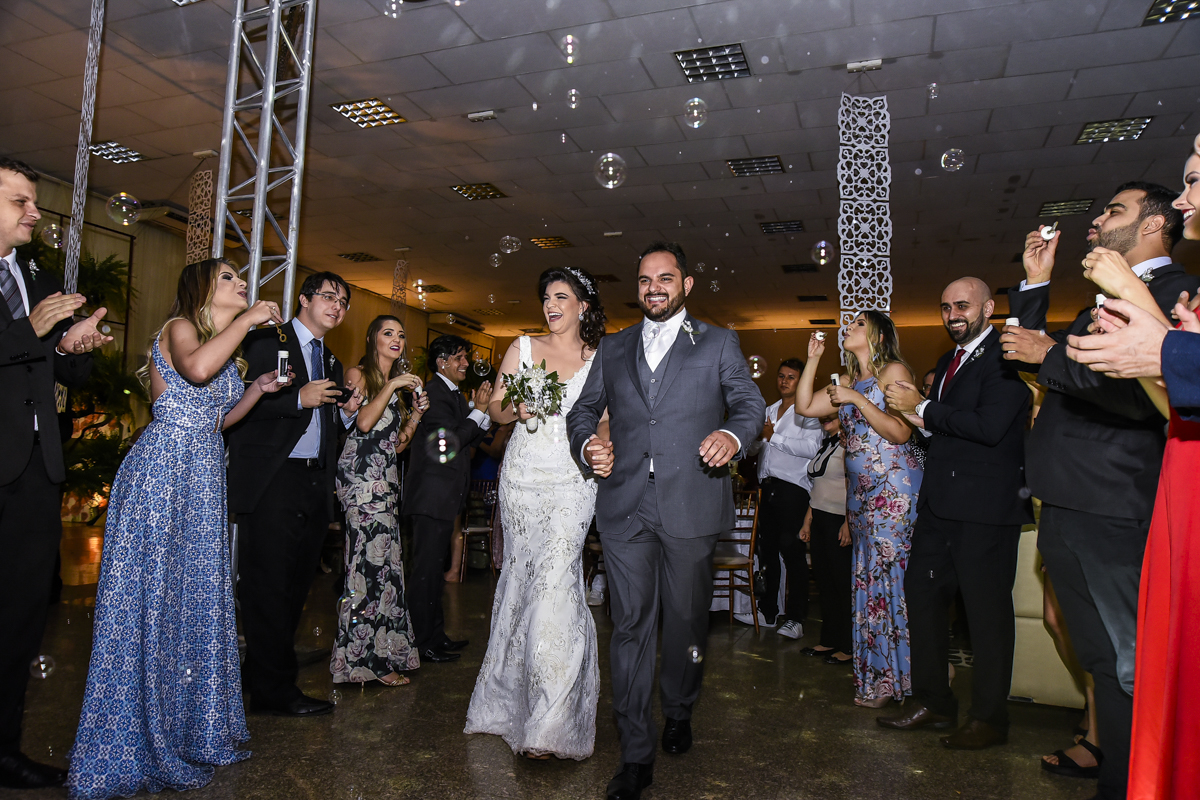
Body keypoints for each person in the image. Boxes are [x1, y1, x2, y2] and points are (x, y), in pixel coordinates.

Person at [1001, 181, 1196, 800]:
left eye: (1116, 209)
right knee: (1103, 659)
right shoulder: (1104, 298)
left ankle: (1137, 783)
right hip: (1067, 499)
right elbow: (1030, 360)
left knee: (1129, 661)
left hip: (1113, 501)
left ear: (1154, 226)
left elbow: (1143, 393)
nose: (1099, 219)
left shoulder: (1174, 293)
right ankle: (1117, 774)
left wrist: (1054, 354)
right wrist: (1036, 285)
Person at [69, 259, 289, 798]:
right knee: (152, 599)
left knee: (191, 599)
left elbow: (215, 419)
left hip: (202, 478)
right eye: (229, 277)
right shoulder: (180, 327)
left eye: (241, 278)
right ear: (202, 288)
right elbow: (195, 371)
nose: (243, 283)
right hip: (164, 474)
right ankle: (129, 740)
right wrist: (249, 320)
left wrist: (256, 390)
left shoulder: (223, 348)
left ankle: (185, 726)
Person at [567, 242, 764, 800]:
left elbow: (749, 404)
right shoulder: (614, 346)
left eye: (665, 278)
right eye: (645, 279)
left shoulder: (718, 342)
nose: (654, 287)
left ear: (686, 284)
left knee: (685, 621)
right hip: (625, 503)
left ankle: (679, 706)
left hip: (692, 503)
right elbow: (584, 410)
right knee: (630, 624)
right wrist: (587, 444)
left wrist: (732, 435)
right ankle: (635, 753)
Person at [1065, 146, 1200, 800]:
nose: (1185, 198)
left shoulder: (1175, 286)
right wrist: (1166, 354)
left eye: (1194, 181)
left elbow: (1099, 379)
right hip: (1164, 476)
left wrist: (1160, 338)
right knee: (1136, 660)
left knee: (1138, 661)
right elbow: (1169, 395)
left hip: (1125, 492)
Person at [877, 277, 1032, 750]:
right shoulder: (948, 361)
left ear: (988, 308)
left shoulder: (1009, 356)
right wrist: (914, 418)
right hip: (939, 506)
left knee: (985, 616)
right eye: (945, 307)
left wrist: (922, 406)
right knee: (922, 599)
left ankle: (989, 719)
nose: (952, 315)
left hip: (985, 509)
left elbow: (989, 427)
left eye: (962, 305)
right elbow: (944, 430)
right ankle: (933, 702)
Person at [465, 266, 607, 760]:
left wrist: (601, 447)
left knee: (555, 586)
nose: (551, 305)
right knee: (522, 583)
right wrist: (517, 407)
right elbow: (497, 409)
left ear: (583, 306)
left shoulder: (601, 358)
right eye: (546, 297)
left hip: (573, 481)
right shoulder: (522, 347)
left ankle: (551, 721)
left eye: (561, 297)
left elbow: (606, 420)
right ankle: (510, 700)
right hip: (522, 478)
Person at [0, 156, 108, 790]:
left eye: (34, 202)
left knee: (20, 616)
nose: (34, 213)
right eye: (20, 201)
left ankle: (4, 747)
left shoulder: (37, 278)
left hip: (37, 470)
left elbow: (63, 366)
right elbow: (20, 341)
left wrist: (73, 343)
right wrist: (28, 330)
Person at [226, 272, 362, 717]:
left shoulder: (332, 360)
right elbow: (234, 408)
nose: (337, 306)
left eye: (343, 302)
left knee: (297, 585)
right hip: (273, 479)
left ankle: (258, 673)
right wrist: (297, 399)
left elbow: (324, 426)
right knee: (267, 585)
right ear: (303, 299)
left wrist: (345, 414)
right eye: (329, 296)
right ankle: (274, 690)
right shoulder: (265, 341)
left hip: (312, 482)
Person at [794, 311, 922, 709]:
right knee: (870, 586)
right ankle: (886, 675)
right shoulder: (847, 381)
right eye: (849, 324)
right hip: (862, 497)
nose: (849, 326)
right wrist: (813, 359)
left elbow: (901, 431)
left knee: (893, 585)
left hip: (894, 491)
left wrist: (856, 399)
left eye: (860, 323)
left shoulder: (893, 372)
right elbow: (804, 406)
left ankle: (906, 676)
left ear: (879, 336)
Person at [331, 315, 428, 687]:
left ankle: (381, 653)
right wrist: (392, 385)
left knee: (386, 570)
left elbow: (396, 445)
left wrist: (416, 414)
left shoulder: (394, 389)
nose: (396, 339)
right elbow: (364, 424)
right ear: (373, 338)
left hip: (385, 485)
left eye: (401, 335)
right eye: (389, 333)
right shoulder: (358, 375)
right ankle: (365, 660)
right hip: (361, 485)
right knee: (367, 569)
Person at [403, 334, 492, 663]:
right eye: (459, 357)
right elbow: (449, 442)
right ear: (442, 361)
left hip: (443, 495)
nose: (466, 363)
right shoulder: (434, 392)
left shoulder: (451, 393)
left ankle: (436, 636)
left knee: (435, 573)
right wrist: (477, 412)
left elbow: (470, 438)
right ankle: (421, 642)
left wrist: (482, 414)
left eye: (465, 357)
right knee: (425, 573)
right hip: (431, 496)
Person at [744, 358, 823, 635]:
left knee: (793, 553)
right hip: (767, 487)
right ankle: (768, 612)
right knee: (767, 552)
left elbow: (812, 448)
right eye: (781, 376)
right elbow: (754, 451)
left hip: (793, 489)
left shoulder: (809, 412)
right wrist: (757, 437)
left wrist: (773, 434)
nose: (784, 381)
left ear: (801, 381)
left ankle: (796, 619)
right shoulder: (769, 409)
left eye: (791, 377)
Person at [798, 412, 852, 664]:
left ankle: (848, 646)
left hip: (839, 520)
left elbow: (856, 485)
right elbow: (817, 488)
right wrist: (807, 521)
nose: (825, 419)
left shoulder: (850, 444)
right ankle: (829, 639)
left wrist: (849, 523)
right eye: (823, 416)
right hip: (819, 519)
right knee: (825, 583)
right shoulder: (826, 445)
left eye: (832, 415)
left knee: (842, 585)